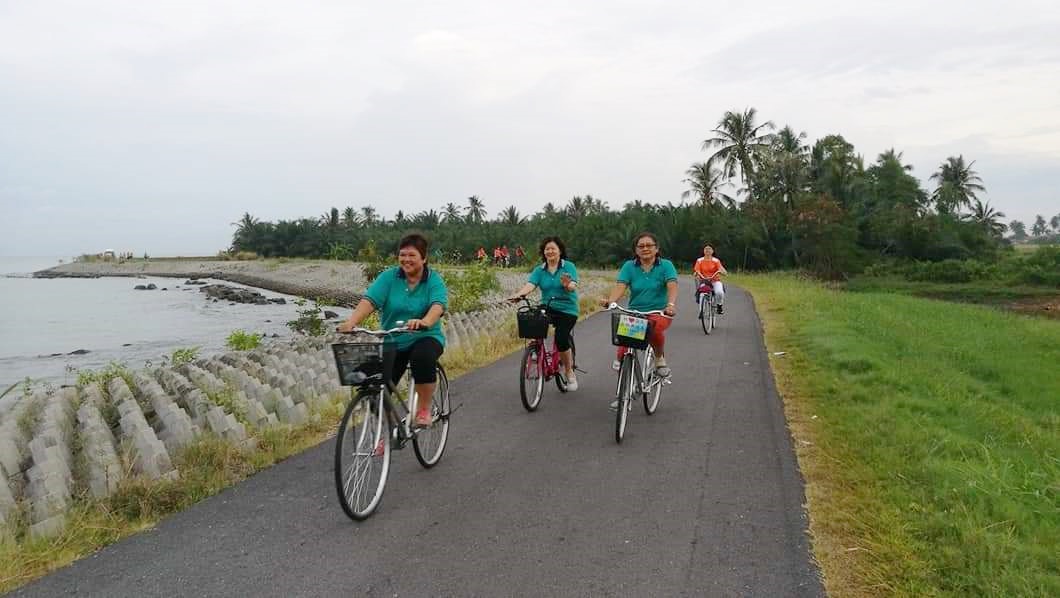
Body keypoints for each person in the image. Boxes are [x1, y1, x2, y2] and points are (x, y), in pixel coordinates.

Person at [338, 234, 447, 427]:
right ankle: (390, 430)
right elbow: (370, 301)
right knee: (372, 385)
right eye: (402, 254)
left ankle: (423, 410)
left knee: (422, 358)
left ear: (423, 258)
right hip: (393, 339)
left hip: (425, 335)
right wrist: (351, 322)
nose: (406, 259)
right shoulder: (388, 277)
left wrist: (424, 321)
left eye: (412, 255)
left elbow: (438, 305)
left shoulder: (433, 280)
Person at [600, 232, 678, 378]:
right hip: (635, 312)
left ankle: (659, 358)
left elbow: (672, 285)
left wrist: (671, 304)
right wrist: (611, 301)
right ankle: (622, 394)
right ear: (636, 250)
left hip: (659, 312)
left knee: (654, 329)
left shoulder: (666, 265)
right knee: (623, 343)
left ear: (657, 248)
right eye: (641, 246)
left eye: (649, 245)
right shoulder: (629, 266)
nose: (645, 248)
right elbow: (620, 286)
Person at [508, 237, 581, 391]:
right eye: (547, 249)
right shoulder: (539, 270)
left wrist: (568, 285)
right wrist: (519, 295)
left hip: (567, 308)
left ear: (560, 251)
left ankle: (569, 371)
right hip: (548, 306)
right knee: (533, 318)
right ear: (543, 252)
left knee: (561, 337)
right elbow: (531, 285)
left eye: (553, 248)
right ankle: (537, 348)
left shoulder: (568, 267)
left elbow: (573, 285)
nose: (550, 251)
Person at [693, 243, 727, 314]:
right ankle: (701, 310)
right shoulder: (699, 260)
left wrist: (723, 272)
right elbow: (697, 270)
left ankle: (719, 306)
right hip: (704, 281)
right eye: (706, 249)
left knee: (719, 292)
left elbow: (721, 269)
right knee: (701, 292)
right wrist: (697, 273)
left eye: (709, 249)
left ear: (712, 251)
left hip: (715, 280)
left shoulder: (716, 261)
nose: (707, 250)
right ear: (703, 251)